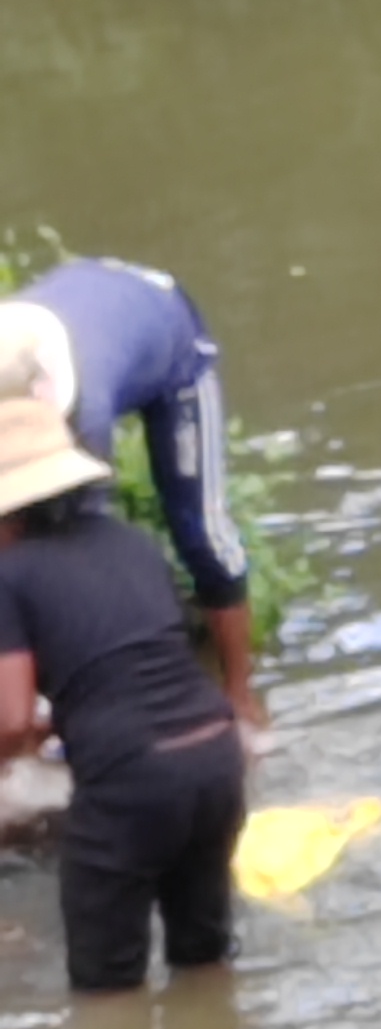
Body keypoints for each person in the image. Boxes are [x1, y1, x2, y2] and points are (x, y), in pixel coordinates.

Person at [0, 389, 245, 995]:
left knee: (106, 989)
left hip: (131, 780)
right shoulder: (132, 543)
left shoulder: (9, 575)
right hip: (216, 756)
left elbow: (11, 721)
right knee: (203, 958)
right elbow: (135, 663)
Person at [0, 258, 260, 727]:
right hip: (91, 305)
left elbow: (80, 556)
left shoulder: (84, 409)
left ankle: (242, 696)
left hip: (171, 341)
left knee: (202, 534)